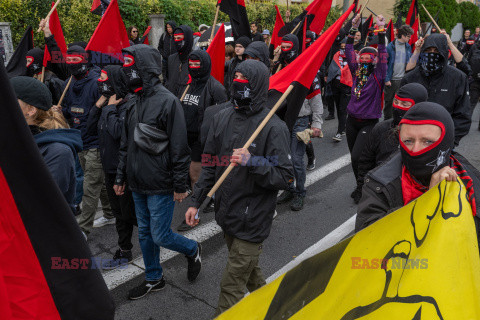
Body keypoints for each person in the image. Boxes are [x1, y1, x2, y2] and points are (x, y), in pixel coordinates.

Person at [184, 59, 294, 316]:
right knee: (251, 274)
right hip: (227, 215)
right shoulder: (221, 117)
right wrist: (195, 202)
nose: (238, 84)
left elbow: (287, 178)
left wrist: (252, 162)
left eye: (245, 80)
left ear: (256, 86)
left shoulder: (273, 127)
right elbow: (210, 166)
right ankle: (272, 308)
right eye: (236, 78)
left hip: (253, 221)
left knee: (231, 287)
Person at [115, 44, 201, 300]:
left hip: (161, 183)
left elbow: (179, 148)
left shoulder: (168, 102)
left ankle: (191, 248)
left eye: (130, 65)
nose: (125, 70)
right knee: (144, 232)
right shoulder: (132, 102)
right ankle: (154, 277)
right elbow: (125, 145)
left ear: (145, 69)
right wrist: (121, 176)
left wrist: (179, 184)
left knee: (160, 234)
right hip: (137, 183)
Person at [355, 102, 480, 238]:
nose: (415, 150)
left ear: (446, 142)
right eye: (408, 141)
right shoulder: (379, 184)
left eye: (427, 141)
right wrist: (429, 199)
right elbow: (368, 240)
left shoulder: (471, 178)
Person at [86, 65, 138, 267]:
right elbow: (90, 129)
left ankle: (156, 244)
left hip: (122, 171)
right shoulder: (106, 104)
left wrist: (108, 109)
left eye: (104, 78)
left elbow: (118, 133)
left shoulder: (127, 105)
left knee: (129, 214)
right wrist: (99, 106)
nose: (100, 82)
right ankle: (125, 249)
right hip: (109, 169)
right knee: (119, 214)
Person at [11, 76, 82, 213]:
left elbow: (39, 202)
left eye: (10, 100)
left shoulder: (58, 152)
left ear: (30, 110)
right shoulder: (16, 140)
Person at [176, 50, 228, 231]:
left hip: (203, 139)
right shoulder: (187, 84)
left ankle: (195, 211)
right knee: (194, 174)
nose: (193, 67)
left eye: (197, 64)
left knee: (196, 175)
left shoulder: (216, 88)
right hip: (186, 138)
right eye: (191, 64)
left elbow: (224, 115)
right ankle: (210, 197)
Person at [356, 83, 428, 199]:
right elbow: (366, 162)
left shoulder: (429, 135)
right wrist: (363, 189)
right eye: (396, 101)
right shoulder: (381, 129)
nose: (398, 107)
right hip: (381, 193)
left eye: (404, 104)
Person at [275, 34, 322, 211]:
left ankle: (300, 192)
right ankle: (289, 188)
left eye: (289, 46)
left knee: (295, 159)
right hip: (281, 120)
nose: (285, 50)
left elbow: (316, 100)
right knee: (284, 159)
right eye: (282, 46)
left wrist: (317, 123)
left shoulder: (308, 71)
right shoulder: (279, 68)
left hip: (301, 121)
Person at [345, 14, 387, 203]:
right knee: (355, 158)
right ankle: (360, 183)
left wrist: (381, 30)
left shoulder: (378, 75)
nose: (364, 59)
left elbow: (384, 53)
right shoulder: (356, 73)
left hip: (369, 123)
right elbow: (348, 50)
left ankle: (363, 186)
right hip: (351, 120)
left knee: (357, 157)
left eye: (368, 57)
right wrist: (353, 28)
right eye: (362, 56)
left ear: (375, 59)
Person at [401, 33, 471, 146]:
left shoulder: (457, 78)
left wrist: (450, 141)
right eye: (429, 50)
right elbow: (401, 110)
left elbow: (463, 116)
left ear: (444, 52)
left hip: (443, 141)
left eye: (436, 50)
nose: (432, 54)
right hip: (412, 141)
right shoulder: (412, 77)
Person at [384, 25, 413, 120]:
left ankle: (398, 121)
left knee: (401, 103)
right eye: (408, 36)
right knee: (389, 102)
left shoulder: (408, 47)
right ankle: (387, 121)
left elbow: (410, 62)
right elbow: (384, 64)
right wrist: (387, 79)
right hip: (391, 80)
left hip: (403, 79)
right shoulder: (390, 47)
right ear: (403, 35)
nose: (410, 38)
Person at [326, 38, 352, 142]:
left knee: (342, 109)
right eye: (341, 47)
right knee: (338, 107)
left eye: (345, 48)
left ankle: (339, 132)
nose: (343, 49)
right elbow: (332, 67)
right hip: (335, 84)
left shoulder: (354, 57)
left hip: (347, 85)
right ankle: (343, 126)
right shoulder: (336, 55)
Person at [166, 25, 193, 99]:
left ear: (187, 39)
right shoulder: (171, 58)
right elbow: (168, 80)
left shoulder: (194, 59)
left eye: (179, 38)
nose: (176, 41)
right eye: (174, 38)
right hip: (172, 99)